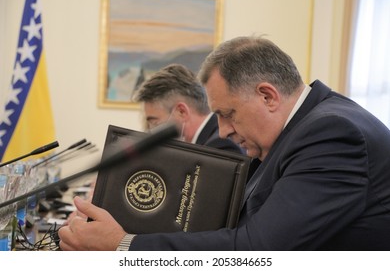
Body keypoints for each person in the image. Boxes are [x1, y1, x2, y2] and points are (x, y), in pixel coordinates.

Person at [58, 36, 390, 250]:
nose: (223, 130)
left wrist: (123, 244)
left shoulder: (331, 133)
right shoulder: (293, 131)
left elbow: (258, 249)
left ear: (267, 96)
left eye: (227, 113)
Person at [132, 63, 244, 154]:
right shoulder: (205, 141)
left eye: (155, 123)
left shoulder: (218, 148)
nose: (151, 133)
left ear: (182, 111)